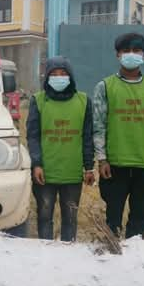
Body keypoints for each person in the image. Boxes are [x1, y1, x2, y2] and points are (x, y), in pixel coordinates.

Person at [93, 32, 144, 239]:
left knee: (141, 214)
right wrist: (102, 159)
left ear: (143, 54)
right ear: (118, 55)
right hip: (115, 163)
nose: (131, 54)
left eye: (136, 50)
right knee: (113, 215)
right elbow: (98, 125)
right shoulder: (105, 87)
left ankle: (136, 254)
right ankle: (112, 253)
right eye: (126, 51)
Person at [27, 56, 95, 241]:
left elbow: (88, 136)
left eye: (63, 74)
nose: (58, 77)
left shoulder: (83, 101)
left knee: (70, 218)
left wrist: (89, 167)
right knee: (44, 215)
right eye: (54, 74)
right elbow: (33, 136)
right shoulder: (38, 100)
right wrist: (37, 164)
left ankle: (68, 252)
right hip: (45, 173)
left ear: (70, 77)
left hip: (72, 173)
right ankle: (46, 252)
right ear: (47, 78)